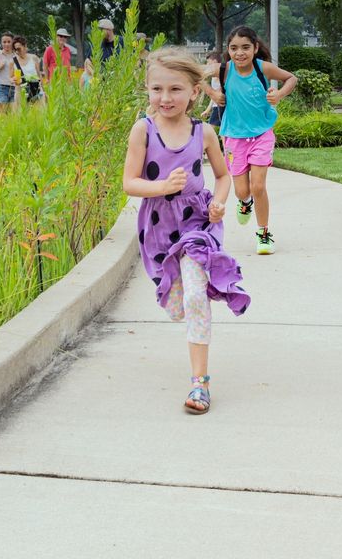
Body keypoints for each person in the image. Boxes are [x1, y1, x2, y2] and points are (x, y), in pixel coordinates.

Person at [122, 47, 249, 415]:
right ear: (147, 90)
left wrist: (220, 202)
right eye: (157, 89)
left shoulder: (203, 132)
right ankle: (185, 302)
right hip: (160, 228)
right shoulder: (142, 131)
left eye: (175, 89)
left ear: (195, 91)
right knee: (179, 304)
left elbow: (223, 176)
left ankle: (200, 384)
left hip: (196, 223)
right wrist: (161, 186)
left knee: (195, 297)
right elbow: (129, 183)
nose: (165, 98)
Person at [204, 26, 297, 255]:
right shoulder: (224, 70)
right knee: (242, 191)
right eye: (234, 48)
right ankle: (244, 203)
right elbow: (195, 75)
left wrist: (279, 94)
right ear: (228, 50)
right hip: (234, 138)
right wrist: (213, 94)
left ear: (255, 48)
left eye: (245, 47)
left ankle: (263, 234)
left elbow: (291, 78)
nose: (240, 53)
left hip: (261, 135)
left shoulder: (261, 68)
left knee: (258, 186)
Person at [11, 35, 42, 105]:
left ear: (25, 46)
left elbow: (39, 75)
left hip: (35, 90)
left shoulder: (34, 58)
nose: (17, 52)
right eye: (15, 50)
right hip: (20, 91)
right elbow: (10, 77)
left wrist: (44, 91)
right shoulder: (13, 61)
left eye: (19, 49)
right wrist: (13, 79)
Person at [198, 51, 223, 131]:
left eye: (209, 63)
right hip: (216, 106)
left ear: (215, 62)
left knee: (212, 129)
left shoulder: (222, 76)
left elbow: (218, 95)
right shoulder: (212, 78)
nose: (207, 65)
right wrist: (207, 110)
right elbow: (213, 96)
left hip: (221, 106)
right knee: (222, 130)